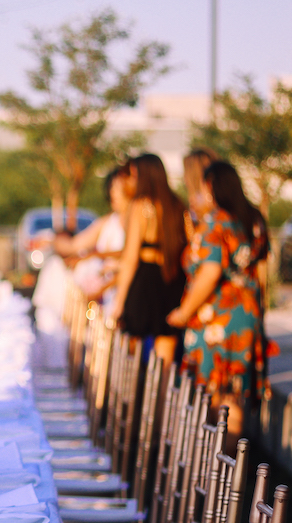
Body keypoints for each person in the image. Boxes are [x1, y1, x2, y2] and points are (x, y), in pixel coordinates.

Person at [166, 161, 272, 449]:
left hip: (218, 315)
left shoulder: (218, 220)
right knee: (233, 391)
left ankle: (218, 474)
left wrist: (184, 311)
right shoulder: (252, 218)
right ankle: (232, 473)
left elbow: (210, 270)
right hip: (246, 313)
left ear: (212, 186)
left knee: (216, 394)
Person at [110, 154, 188, 369]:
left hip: (145, 278)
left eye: (134, 175)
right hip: (171, 277)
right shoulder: (177, 204)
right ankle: (162, 398)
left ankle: (134, 398)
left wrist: (119, 301)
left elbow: (130, 258)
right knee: (166, 345)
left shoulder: (140, 205)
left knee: (132, 344)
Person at [53, 165, 129, 313]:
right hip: (107, 297)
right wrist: (50, 240)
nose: (112, 193)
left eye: (117, 188)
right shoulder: (107, 223)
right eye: (111, 188)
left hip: (123, 295)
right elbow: (73, 245)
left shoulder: (137, 222)